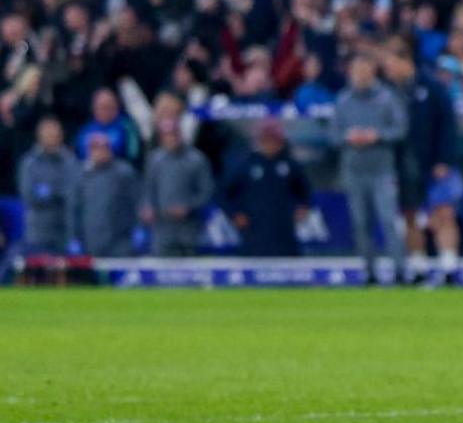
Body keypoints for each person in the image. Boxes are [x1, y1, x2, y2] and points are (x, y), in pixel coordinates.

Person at [331, 54, 410, 282]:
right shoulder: (343, 100)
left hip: (382, 170)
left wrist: (376, 135)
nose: (360, 76)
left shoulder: (387, 98)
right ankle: (369, 272)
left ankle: (400, 271)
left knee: (388, 220)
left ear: (373, 72)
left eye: (365, 71)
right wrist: (349, 137)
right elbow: (334, 135)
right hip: (354, 171)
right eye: (357, 71)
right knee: (361, 223)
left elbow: (401, 129)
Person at [384, 41, 459, 257]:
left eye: (391, 65)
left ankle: (448, 268)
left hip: (434, 163)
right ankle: (418, 267)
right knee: (410, 215)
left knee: (444, 213)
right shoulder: (389, 92)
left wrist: (444, 159)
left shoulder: (432, 87)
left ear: (405, 61)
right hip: (404, 165)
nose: (388, 71)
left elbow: (448, 124)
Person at [222, 121, 313, 258]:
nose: (270, 144)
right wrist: (234, 214)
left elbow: (305, 190)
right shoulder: (246, 164)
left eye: (273, 140)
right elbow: (225, 193)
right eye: (265, 140)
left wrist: (303, 207)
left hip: (283, 228)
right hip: (253, 227)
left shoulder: (290, 164)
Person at [142, 115, 214, 256]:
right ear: (161, 137)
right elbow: (148, 189)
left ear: (180, 134)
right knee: (162, 271)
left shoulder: (196, 159)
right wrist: (148, 206)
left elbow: (206, 192)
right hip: (163, 228)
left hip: (189, 228)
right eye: (166, 135)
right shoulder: (154, 160)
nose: (171, 138)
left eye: (173, 134)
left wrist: (189, 207)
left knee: (189, 271)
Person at [72, 131, 141, 258]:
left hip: (120, 241)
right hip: (91, 241)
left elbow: (137, 202)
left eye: (103, 148)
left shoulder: (124, 173)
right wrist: (76, 237)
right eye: (95, 148)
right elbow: (76, 208)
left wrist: (137, 230)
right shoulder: (82, 175)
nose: (99, 152)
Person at [17, 117, 79, 255]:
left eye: (55, 135)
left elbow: (73, 193)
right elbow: (29, 196)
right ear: (39, 137)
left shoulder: (70, 161)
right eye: (48, 135)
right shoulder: (29, 163)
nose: (52, 139)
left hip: (65, 231)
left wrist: (48, 192)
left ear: (61, 136)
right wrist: (58, 194)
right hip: (38, 233)